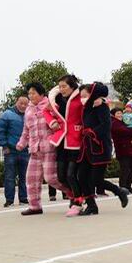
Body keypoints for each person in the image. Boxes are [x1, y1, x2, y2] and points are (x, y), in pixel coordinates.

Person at [74, 83, 128, 215]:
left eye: (85, 95)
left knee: (96, 180)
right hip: (86, 148)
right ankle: (92, 206)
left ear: (92, 94)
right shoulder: (86, 107)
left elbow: (106, 125)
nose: (82, 97)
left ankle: (119, 191)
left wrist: (92, 132)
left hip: (99, 147)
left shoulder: (102, 107)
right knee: (81, 177)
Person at [16, 82, 69, 215]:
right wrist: (22, 143)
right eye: (29, 93)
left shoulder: (50, 105)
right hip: (34, 150)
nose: (30, 95)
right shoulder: (28, 109)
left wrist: (55, 128)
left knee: (51, 178)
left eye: (33, 93)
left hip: (49, 148)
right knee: (31, 179)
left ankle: (74, 194)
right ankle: (35, 207)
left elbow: (60, 122)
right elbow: (26, 130)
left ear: (41, 94)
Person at [45, 74, 84, 217]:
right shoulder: (56, 99)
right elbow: (45, 111)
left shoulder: (80, 98)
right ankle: (75, 197)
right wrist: (52, 122)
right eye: (60, 86)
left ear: (72, 86)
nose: (61, 89)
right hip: (61, 141)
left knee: (71, 174)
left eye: (64, 86)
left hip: (75, 141)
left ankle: (77, 203)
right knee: (61, 176)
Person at [0, 95, 30, 207]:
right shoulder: (6, 115)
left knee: (24, 177)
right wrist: (4, 146)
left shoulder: (29, 115)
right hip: (10, 151)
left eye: (26, 104)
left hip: (25, 151)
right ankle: (9, 200)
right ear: (16, 102)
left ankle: (23, 198)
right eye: (21, 103)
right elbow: (0, 131)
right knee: (9, 177)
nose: (23, 106)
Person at [110, 107, 132, 193]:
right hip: (122, 149)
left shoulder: (124, 122)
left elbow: (129, 130)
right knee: (125, 170)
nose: (120, 115)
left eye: (121, 113)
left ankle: (128, 186)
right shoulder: (114, 123)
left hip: (130, 148)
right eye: (118, 113)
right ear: (114, 115)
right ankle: (122, 188)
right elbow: (123, 131)